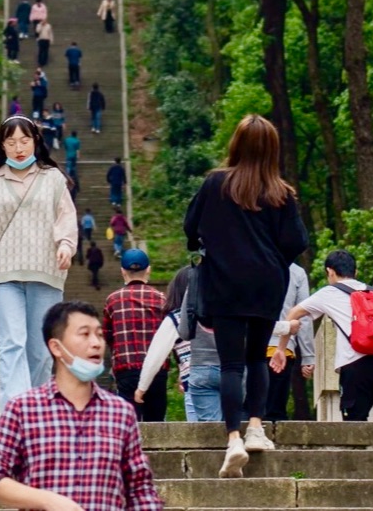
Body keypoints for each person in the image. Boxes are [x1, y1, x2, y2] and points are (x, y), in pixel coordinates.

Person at [184, 114, 309, 478]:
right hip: (266, 284)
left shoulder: (215, 184)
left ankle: (233, 438)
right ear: (272, 149)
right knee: (257, 358)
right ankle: (256, 426)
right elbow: (296, 242)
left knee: (230, 363)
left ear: (236, 144)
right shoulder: (281, 193)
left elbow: (191, 228)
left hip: (225, 282)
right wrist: (270, 260)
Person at [0, 301, 163, 511]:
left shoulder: (121, 412)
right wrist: (48, 501)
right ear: (56, 347)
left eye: (100, 335)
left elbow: (140, 490)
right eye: (84, 334)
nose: (96, 343)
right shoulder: (23, 409)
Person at [0, 115, 77, 409]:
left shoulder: (53, 179)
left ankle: (38, 406)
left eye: (24, 140)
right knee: (11, 343)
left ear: (35, 142)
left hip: (46, 271)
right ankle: (17, 409)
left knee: (41, 349)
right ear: (2, 146)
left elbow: (66, 218)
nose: (18, 148)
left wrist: (66, 246)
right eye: (11, 142)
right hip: (4, 273)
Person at [273, 249, 373, 422]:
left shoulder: (329, 293)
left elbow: (293, 313)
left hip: (356, 366)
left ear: (330, 271)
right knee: (360, 416)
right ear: (355, 272)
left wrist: (281, 349)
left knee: (352, 424)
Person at [104, 249, 168, 422]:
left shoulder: (113, 300)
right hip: (156, 369)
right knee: (156, 422)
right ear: (148, 270)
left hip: (126, 369)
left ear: (122, 271)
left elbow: (107, 335)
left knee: (129, 423)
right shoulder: (161, 299)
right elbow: (170, 334)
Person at [135, 266, 194, 420]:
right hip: (228, 378)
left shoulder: (176, 318)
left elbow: (155, 356)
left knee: (202, 433)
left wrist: (142, 387)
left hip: (195, 383)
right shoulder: (219, 313)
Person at [265, 263, 315, 421]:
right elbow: (304, 316)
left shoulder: (249, 262)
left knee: (249, 408)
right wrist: (308, 356)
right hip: (282, 350)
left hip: (250, 347)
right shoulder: (297, 272)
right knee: (275, 412)